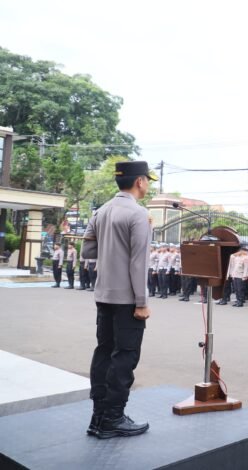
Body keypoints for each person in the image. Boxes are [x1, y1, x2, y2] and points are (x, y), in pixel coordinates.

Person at [82, 160, 155, 439]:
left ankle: (98, 415)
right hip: (127, 299)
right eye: (147, 180)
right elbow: (138, 263)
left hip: (103, 294)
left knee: (104, 352)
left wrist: (110, 247)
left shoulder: (101, 211)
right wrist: (142, 302)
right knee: (125, 356)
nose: (147, 184)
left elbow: (88, 249)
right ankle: (113, 418)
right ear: (139, 182)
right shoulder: (138, 214)